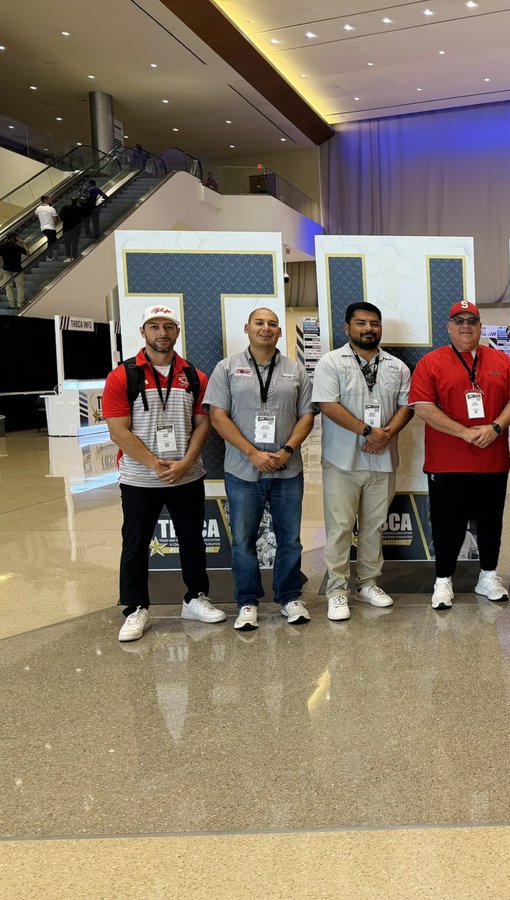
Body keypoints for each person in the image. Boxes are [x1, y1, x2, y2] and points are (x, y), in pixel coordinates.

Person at [102, 304, 225, 642]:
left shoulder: (194, 375)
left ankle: (195, 598)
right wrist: (155, 464)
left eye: (168, 326)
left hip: (187, 475)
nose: (162, 333)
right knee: (136, 543)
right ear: (143, 332)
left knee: (191, 540)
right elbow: (118, 431)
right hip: (140, 478)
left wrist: (185, 462)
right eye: (154, 326)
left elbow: (203, 424)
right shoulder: (122, 375)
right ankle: (136, 608)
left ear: (177, 332)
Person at [206, 308, 316, 631]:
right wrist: (252, 452)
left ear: (280, 332)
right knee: (242, 540)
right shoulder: (226, 369)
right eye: (259, 323)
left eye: (272, 324)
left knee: (290, 539)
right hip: (242, 470)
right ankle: (247, 602)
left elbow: (306, 416)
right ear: (247, 329)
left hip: (287, 469)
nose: (265, 328)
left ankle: (289, 597)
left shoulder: (296, 371)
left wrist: (287, 451)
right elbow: (217, 416)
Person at [411, 300, 510, 609]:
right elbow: (422, 407)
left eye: (472, 320)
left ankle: (487, 576)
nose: (465, 326)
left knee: (491, 523)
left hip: (492, 462)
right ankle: (443, 580)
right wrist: (463, 432)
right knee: (448, 524)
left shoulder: (500, 360)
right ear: (449, 327)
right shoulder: (430, 363)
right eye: (458, 320)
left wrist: (496, 428)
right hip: (447, 464)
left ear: (480, 326)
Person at [311, 301, 413, 621]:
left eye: (374, 324)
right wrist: (368, 431)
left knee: (374, 527)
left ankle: (368, 583)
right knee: (340, 528)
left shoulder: (397, 367)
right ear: (347, 328)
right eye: (360, 323)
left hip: (382, 461)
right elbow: (328, 404)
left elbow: (406, 407)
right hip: (342, 461)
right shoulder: (331, 362)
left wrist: (385, 435)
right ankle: (337, 591)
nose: (368, 329)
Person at [1, 233, 27, 309]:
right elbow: (28, 253)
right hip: (17, 269)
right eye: (17, 237)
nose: (18, 238)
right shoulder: (17, 246)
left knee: (8, 287)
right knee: (20, 287)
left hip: (6, 269)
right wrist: (23, 244)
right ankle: (20, 303)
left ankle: (12, 304)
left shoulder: (2, 246)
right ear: (13, 238)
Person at [58, 197, 84, 262]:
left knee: (67, 242)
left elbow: (61, 216)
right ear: (77, 201)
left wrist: (66, 220)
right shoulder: (79, 209)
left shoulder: (65, 207)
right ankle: (74, 256)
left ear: (71, 201)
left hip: (67, 227)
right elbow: (82, 217)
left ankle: (68, 256)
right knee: (75, 242)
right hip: (76, 227)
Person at [35, 196, 59, 261]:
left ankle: (55, 257)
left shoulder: (38, 208)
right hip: (51, 228)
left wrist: (42, 218)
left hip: (43, 228)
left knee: (55, 241)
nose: (51, 200)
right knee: (51, 242)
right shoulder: (51, 209)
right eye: (50, 199)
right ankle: (49, 257)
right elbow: (56, 220)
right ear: (46, 200)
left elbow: (36, 215)